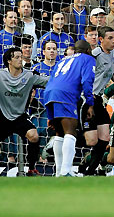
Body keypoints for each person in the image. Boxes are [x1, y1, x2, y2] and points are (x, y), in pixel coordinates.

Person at [0, 47, 49, 177]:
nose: (20, 60)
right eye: (17, 57)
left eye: (21, 57)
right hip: (3, 117)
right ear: (9, 61)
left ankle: (31, 169)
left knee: (34, 136)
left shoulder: (30, 76)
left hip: (20, 117)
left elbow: (48, 81)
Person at [43, 40, 96, 177]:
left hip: (49, 93)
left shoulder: (63, 60)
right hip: (66, 94)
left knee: (59, 133)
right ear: (88, 51)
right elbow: (87, 81)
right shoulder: (88, 59)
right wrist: (90, 103)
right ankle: (66, 171)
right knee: (70, 131)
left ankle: (59, 172)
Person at [78, 26, 114, 176]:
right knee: (92, 141)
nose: (113, 41)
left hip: (99, 99)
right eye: (110, 38)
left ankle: (90, 171)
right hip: (88, 98)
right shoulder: (94, 55)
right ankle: (61, 139)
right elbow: (85, 77)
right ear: (101, 40)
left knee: (105, 138)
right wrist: (88, 99)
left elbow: (113, 77)